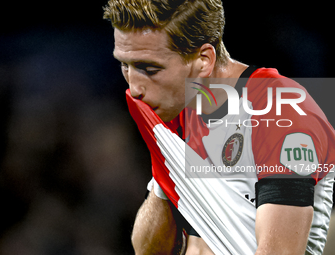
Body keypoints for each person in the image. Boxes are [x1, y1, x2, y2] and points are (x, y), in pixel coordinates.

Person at [103, 0, 335, 254]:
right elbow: (149, 250)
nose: (134, 88)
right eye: (126, 65)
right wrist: (165, 166)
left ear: (203, 60)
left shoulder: (282, 113)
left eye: (149, 68)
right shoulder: (178, 109)